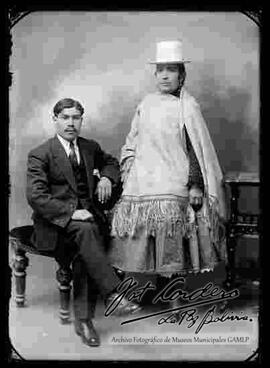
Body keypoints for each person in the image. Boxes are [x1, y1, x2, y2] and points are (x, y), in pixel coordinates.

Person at [109, 40, 227, 289]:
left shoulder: (188, 106)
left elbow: (197, 148)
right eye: (160, 70)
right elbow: (133, 140)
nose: (164, 75)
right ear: (155, 75)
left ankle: (172, 290)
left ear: (181, 76)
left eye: (171, 70)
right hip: (143, 178)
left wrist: (195, 185)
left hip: (176, 178)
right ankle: (137, 287)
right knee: (133, 215)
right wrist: (129, 168)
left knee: (170, 215)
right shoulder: (145, 104)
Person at [26, 98, 140, 348]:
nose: (70, 123)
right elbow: (36, 196)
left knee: (86, 247)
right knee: (88, 233)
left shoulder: (90, 147)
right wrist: (71, 212)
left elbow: (111, 163)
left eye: (75, 118)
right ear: (54, 119)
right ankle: (112, 294)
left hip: (88, 226)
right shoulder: (40, 154)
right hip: (55, 227)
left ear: (81, 121)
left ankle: (84, 321)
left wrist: (107, 179)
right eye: (65, 117)